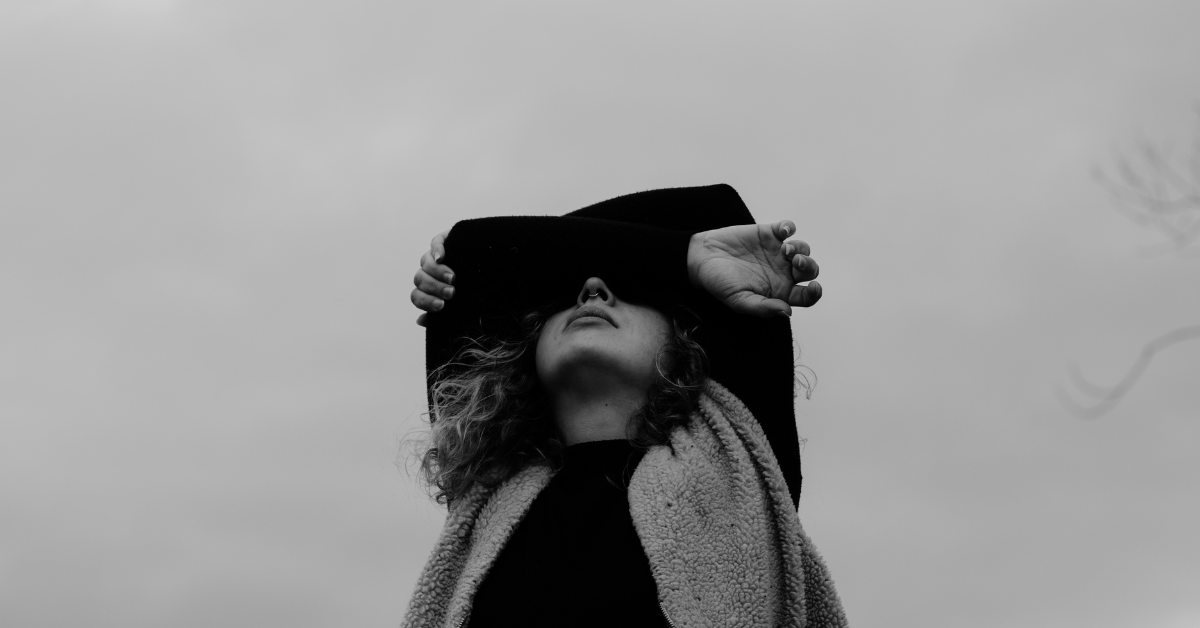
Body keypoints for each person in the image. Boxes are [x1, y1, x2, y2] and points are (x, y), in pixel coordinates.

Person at [404, 185, 847, 627]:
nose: (592, 291)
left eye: (631, 289)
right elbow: (471, 257)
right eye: (563, 295)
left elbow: (714, 210)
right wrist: (675, 257)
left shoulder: (738, 458)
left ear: (687, 341)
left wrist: (684, 256)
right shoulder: (491, 478)